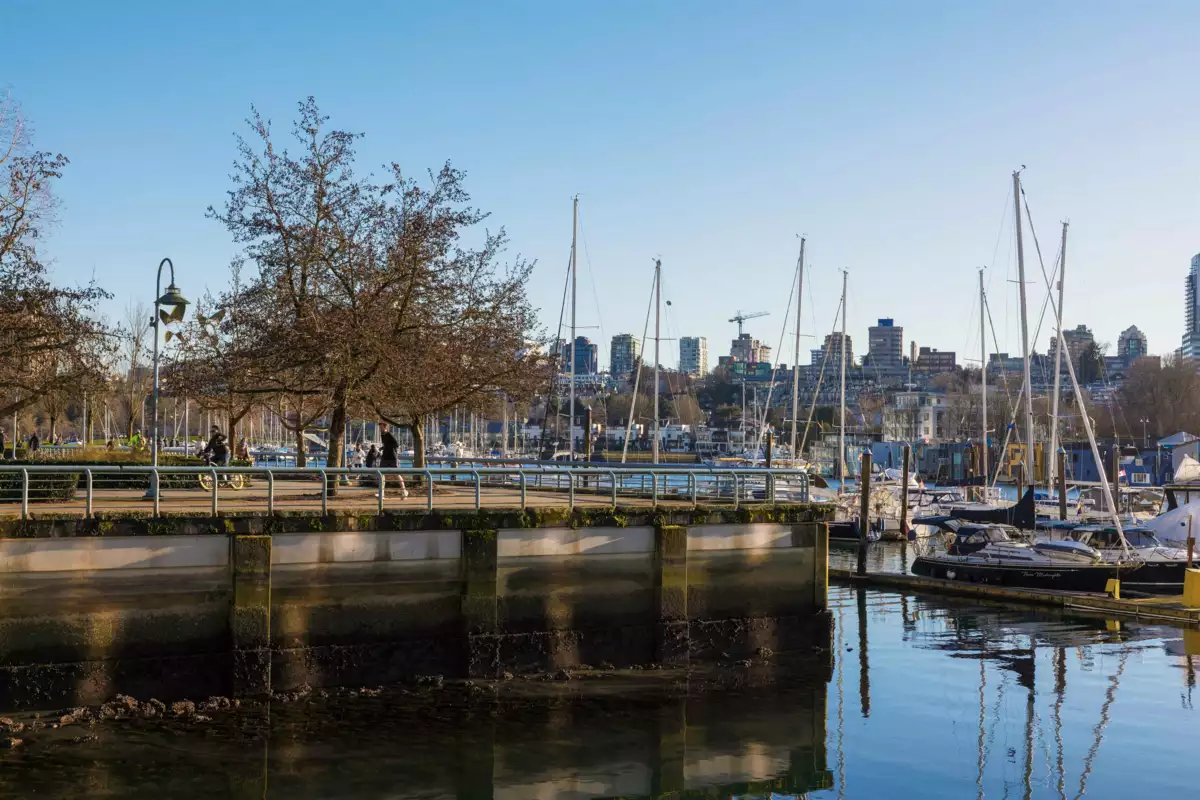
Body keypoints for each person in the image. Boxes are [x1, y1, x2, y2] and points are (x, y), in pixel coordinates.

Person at [378, 423, 408, 499]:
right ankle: (382, 494)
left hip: (392, 457)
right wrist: (382, 448)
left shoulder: (389, 434)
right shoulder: (382, 435)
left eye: (381, 427)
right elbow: (386, 444)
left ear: (385, 427)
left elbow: (396, 444)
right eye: (379, 427)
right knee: (381, 474)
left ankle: (404, 491)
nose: (380, 429)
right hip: (384, 457)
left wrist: (388, 447)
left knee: (396, 474)